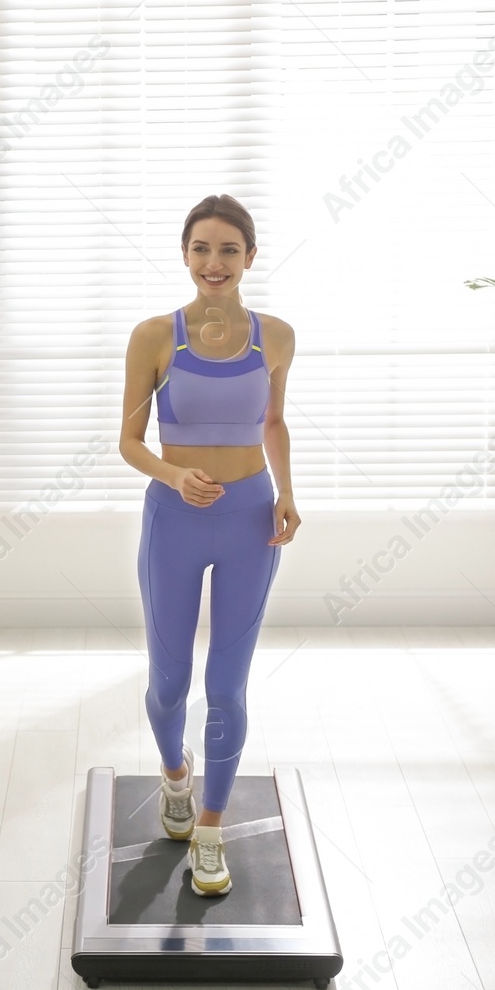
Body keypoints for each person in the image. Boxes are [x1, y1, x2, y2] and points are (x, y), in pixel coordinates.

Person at [117, 194, 300, 896]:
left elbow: (274, 423)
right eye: (201, 249)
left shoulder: (276, 337)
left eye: (229, 249)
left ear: (250, 256)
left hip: (251, 518)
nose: (214, 263)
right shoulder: (154, 337)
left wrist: (286, 491)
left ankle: (211, 830)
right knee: (170, 683)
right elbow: (129, 441)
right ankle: (174, 776)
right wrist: (173, 473)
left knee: (226, 684)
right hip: (175, 517)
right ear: (185, 254)